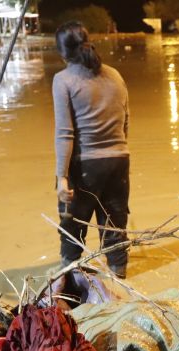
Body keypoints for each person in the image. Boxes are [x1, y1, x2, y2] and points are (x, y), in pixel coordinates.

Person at [53, 21, 131, 277]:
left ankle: (70, 279)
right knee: (115, 225)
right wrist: (115, 154)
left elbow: (65, 133)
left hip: (85, 165)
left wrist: (62, 177)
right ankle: (119, 278)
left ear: (62, 52)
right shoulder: (115, 75)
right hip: (119, 160)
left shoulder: (63, 80)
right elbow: (125, 121)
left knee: (73, 226)